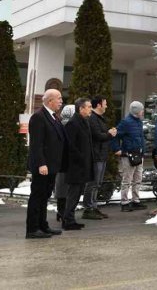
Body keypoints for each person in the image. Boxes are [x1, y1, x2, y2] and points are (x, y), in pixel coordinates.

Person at [25, 87, 67, 239]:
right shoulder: (39, 117)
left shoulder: (54, 117)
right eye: (59, 98)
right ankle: (32, 229)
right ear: (50, 101)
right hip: (43, 166)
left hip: (52, 166)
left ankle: (43, 225)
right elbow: (37, 144)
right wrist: (41, 164)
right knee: (37, 196)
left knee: (45, 196)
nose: (61, 101)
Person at [82, 96, 117, 220]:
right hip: (96, 155)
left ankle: (94, 206)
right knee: (92, 183)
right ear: (99, 105)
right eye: (105, 104)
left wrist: (108, 133)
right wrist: (109, 134)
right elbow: (97, 135)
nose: (106, 106)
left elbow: (101, 134)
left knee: (98, 183)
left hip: (102, 154)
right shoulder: (93, 118)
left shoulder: (100, 119)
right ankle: (88, 208)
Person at [62, 98, 94, 230]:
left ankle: (70, 219)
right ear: (81, 108)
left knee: (77, 194)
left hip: (83, 165)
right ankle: (67, 220)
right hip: (76, 167)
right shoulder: (73, 123)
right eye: (89, 107)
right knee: (73, 194)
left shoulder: (84, 122)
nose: (91, 109)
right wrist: (81, 158)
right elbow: (70, 146)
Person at [113, 101, 147, 212]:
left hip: (139, 154)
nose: (143, 111)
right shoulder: (126, 122)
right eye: (141, 110)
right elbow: (115, 135)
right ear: (137, 111)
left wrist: (143, 151)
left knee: (138, 179)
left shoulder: (139, 122)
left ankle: (135, 200)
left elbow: (141, 137)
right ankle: (124, 202)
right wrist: (117, 149)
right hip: (128, 155)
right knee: (127, 179)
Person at [53, 104, 75, 225]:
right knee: (65, 188)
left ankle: (61, 211)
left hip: (60, 161)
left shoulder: (60, 124)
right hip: (66, 160)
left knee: (61, 187)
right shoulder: (70, 126)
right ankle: (63, 212)